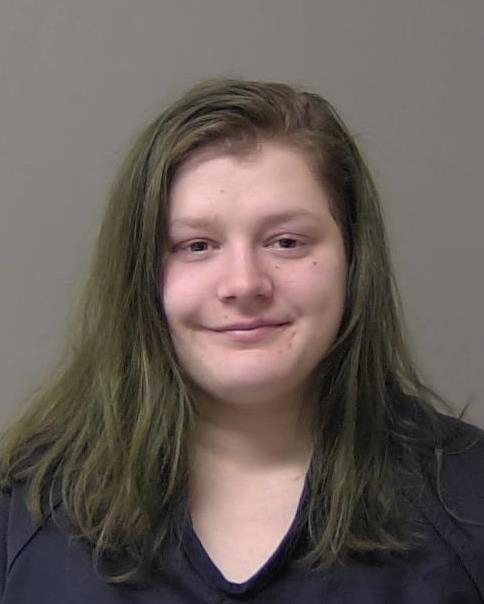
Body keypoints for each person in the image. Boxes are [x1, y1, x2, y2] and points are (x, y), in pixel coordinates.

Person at [0, 77, 483, 603]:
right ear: (140, 275)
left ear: (353, 261)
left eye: (286, 241)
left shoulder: (469, 501)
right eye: (196, 245)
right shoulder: (22, 511)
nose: (244, 284)